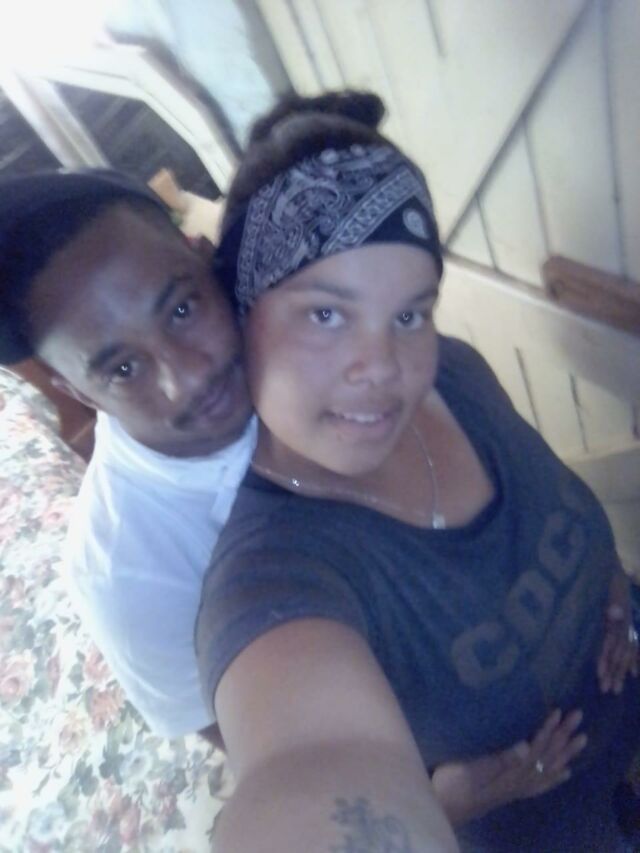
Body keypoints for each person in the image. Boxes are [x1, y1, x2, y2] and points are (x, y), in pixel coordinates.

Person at [195, 91, 640, 851]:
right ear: (241, 315)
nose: (384, 367)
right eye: (326, 313)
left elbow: (562, 505)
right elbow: (310, 767)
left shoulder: (455, 376)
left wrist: (614, 598)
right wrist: (443, 805)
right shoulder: (274, 578)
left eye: (410, 314)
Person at [0, 170, 255, 739]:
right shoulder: (124, 573)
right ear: (78, 393)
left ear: (205, 254)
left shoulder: (308, 326)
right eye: (123, 368)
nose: (188, 379)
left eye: (182, 311)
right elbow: (236, 734)